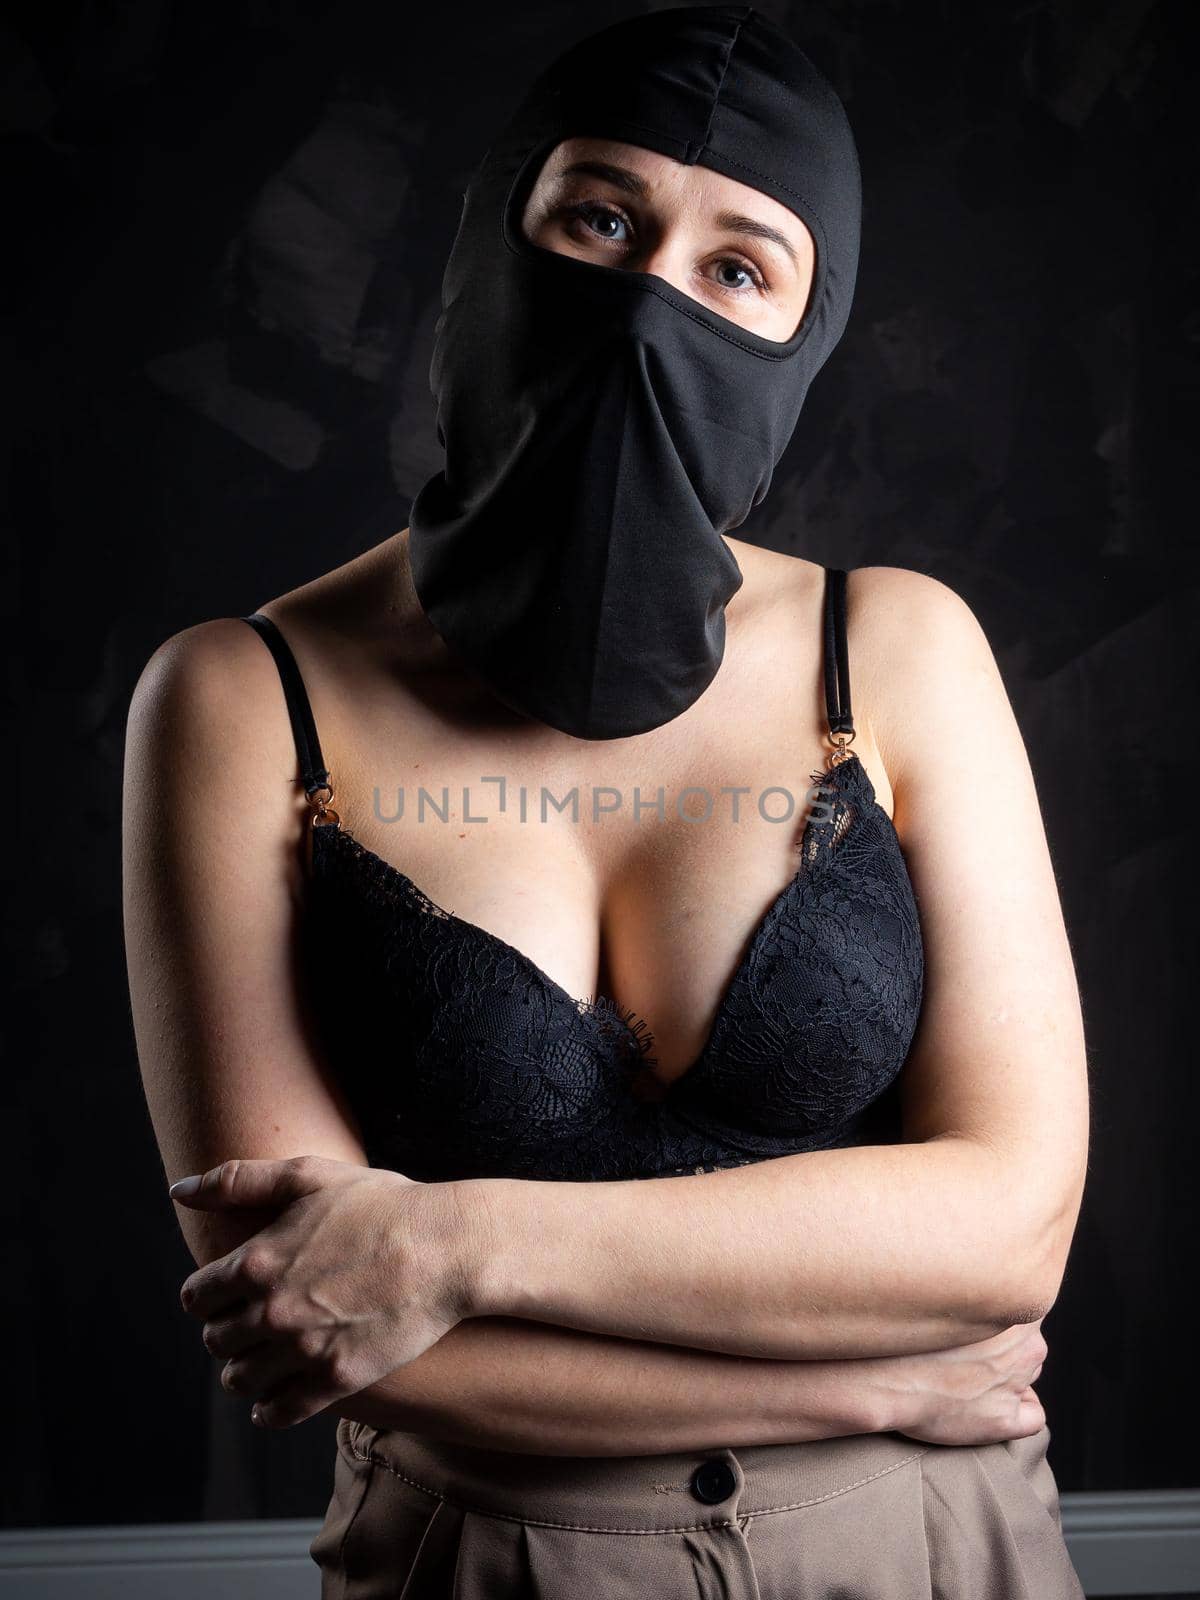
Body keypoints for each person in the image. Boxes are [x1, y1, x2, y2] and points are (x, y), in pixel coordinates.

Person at [123, 6, 1090, 1594]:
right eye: (602, 217)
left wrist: (452, 1243)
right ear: (494, 229)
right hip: (484, 1562)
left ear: (805, 334)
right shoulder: (238, 702)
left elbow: (1006, 1231)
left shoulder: (900, 652)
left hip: (933, 1547)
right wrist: (862, 1381)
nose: (649, 308)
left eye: (738, 268)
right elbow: (310, 1314)